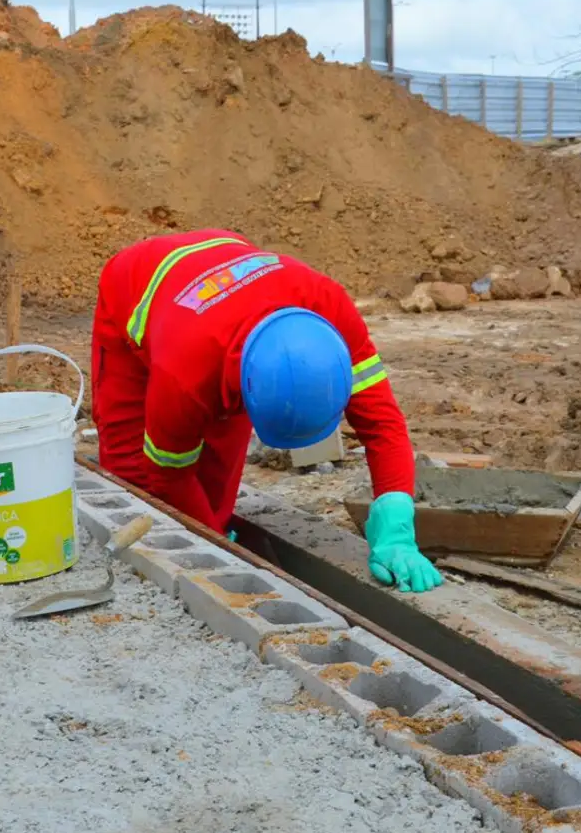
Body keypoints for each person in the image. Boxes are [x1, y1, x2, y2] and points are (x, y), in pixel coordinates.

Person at [89, 229, 444, 594]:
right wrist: (213, 546)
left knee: (216, 485)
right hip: (135, 286)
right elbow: (168, 474)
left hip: (224, 282)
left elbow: (383, 425)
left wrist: (396, 527)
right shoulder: (184, 372)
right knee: (133, 477)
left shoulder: (332, 311)